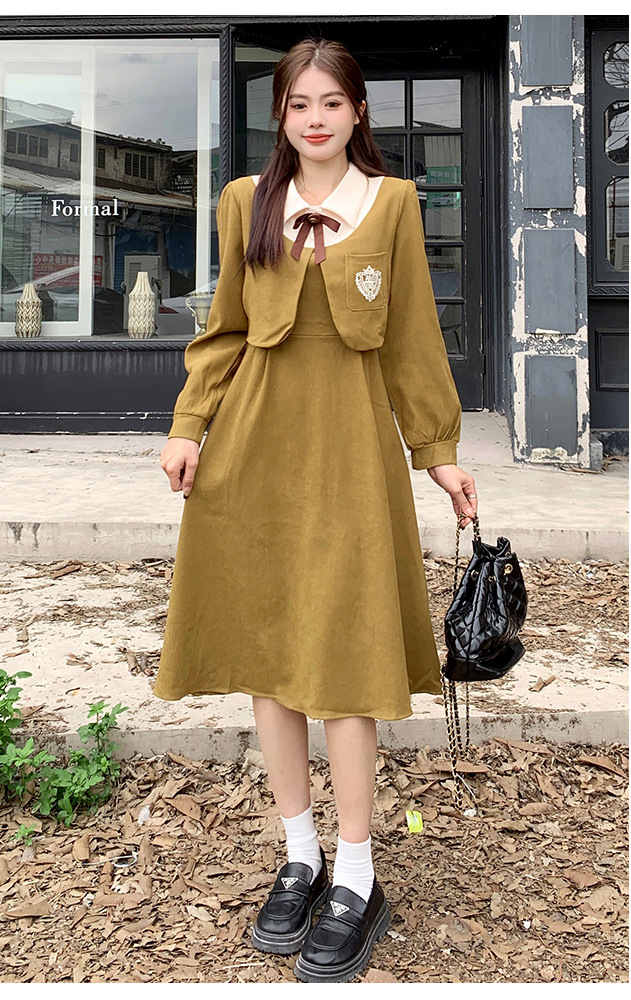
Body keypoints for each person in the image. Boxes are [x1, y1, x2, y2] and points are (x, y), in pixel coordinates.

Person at [154, 37, 478, 984]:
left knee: (345, 655)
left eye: (332, 102)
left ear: (357, 111)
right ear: (281, 116)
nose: (315, 119)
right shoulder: (244, 202)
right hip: (253, 450)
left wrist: (439, 453)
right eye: (299, 104)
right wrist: (188, 424)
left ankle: (359, 872)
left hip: (351, 457)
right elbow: (225, 328)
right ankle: (300, 854)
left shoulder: (395, 204)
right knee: (271, 650)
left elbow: (413, 339)